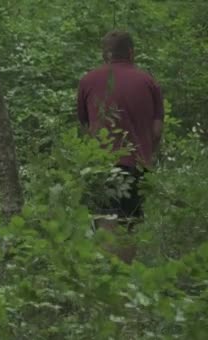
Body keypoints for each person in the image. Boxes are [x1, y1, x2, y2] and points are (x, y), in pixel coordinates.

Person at [76, 30, 164, 262]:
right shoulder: (148, 82)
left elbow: (85, 127)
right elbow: (156, 131)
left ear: (105, 54)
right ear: (132, 52)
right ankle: (121, 283)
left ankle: (106, 284)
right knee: (128, 225)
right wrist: (146, 153)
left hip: (99, 166)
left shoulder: (87, 81)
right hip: (134, 165)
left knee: (104, 222)